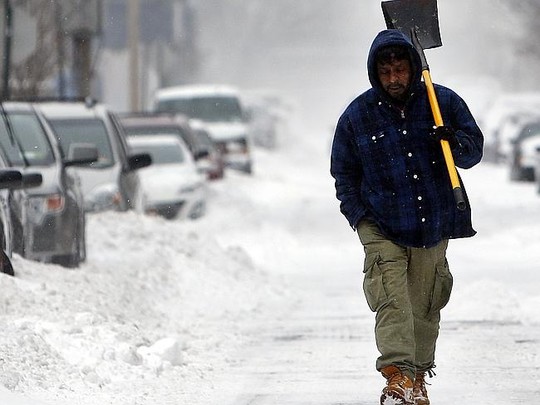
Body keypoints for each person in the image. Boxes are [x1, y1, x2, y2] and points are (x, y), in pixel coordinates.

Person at [330, 29, 483, 405]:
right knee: (392, 299)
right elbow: (343, 173)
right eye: (387, 72)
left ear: (413, 68)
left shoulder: (440, 101)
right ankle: (397, 376)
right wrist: (359, 218)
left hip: (434, 220)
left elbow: (472, 152)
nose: (395, 78)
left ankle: (417, 378)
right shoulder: (357, 117)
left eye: (400, 70)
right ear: (375, 73)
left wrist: (452, 139)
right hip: (381, 224)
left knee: (425, 305)